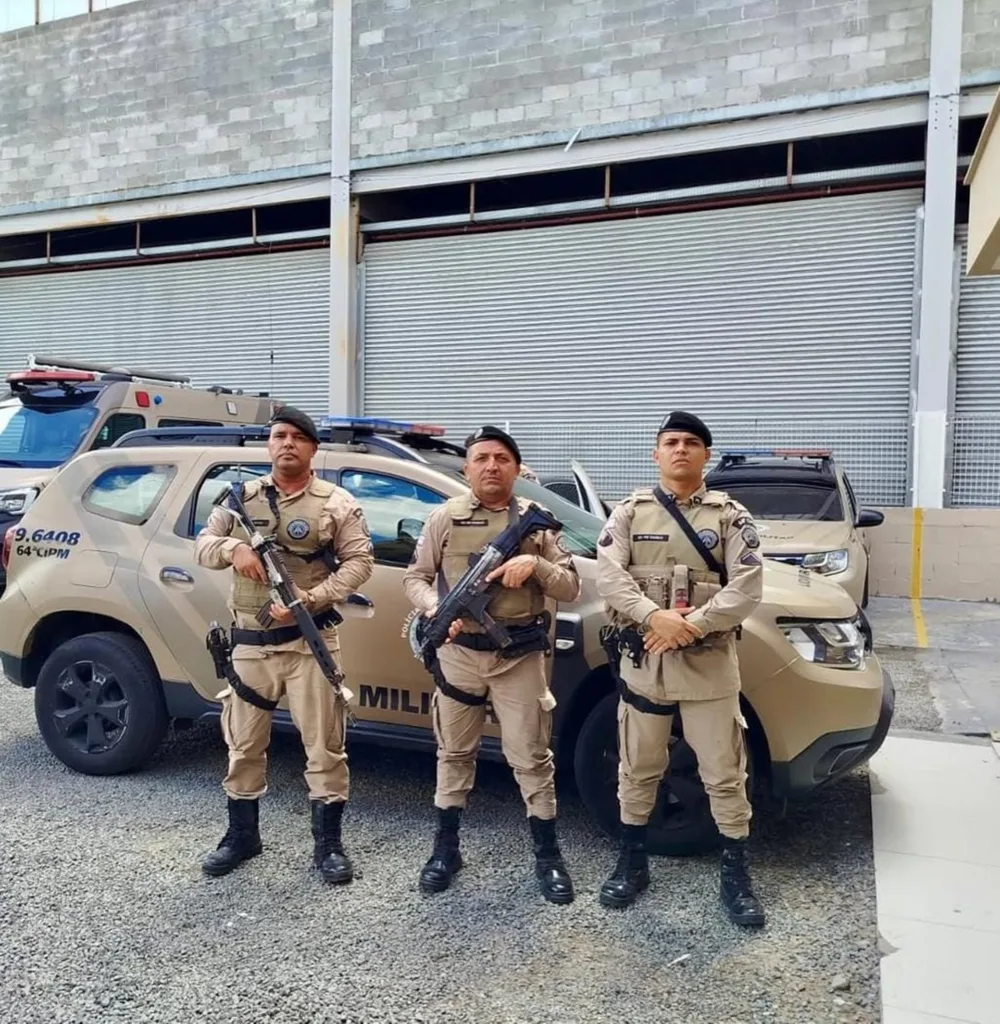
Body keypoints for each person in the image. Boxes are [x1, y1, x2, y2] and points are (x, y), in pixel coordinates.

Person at [595, 410, 766, 927]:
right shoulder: (628, 512)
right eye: (671, 442)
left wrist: (689, 626)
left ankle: (735, 875)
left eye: (692, 442)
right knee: (638, 766)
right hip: (645, 664)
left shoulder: (731, 516)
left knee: (724, 773)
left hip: (709, 667)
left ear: (706, 455)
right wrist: (654, 616)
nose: (681, 450)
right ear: (656, 453)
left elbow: (748, 585)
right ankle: (632, 861)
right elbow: (609, 576)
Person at [194, 406, 374, 884]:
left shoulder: (336, 503)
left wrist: (312, 600)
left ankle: (329, 846)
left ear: (313, 448)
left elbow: (359, 563)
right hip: (251, 644)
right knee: (243, 743)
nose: (287, 443)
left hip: (308, 643)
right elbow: (203, 543)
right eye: (279, 435)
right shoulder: (241, 498)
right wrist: (235, 549)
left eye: (298, 436)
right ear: (269, 445)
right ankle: (242, 836)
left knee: (325, 746)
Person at [402, 425, 582, 903]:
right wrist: (433, 610)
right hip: (459, 657)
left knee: (530, 756)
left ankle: (547, 856)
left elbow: (570, 587)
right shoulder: (444, 518)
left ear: (516, 468)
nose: (491, 466)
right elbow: (416, 577)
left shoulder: (537, 526)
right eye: (481, 457)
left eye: (501, 458)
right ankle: (446, 849)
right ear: (467, 467)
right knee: (454, 752)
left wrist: (536, 567)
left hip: (518, 657)